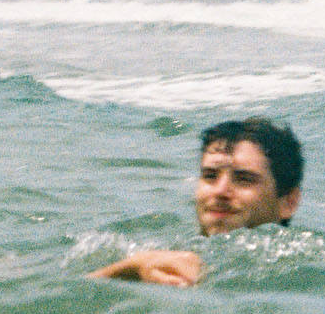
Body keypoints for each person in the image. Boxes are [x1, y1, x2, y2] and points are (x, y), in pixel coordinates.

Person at [89, 117, 304, 287]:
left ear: (289, 202)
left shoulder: (298, 265)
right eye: (210, 176)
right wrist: (134, 268)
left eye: (244, 179)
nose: (220, 191)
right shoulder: (161, 252)